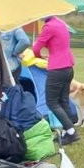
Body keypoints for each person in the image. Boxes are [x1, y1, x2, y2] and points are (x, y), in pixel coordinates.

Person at [32, 15, 78, 145]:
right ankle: (67, 131)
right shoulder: (60, 23)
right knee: (63, 100)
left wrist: (38, 55)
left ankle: (71, 132)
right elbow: (56, 43)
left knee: (52, 102)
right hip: (68, 67)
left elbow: (36, 48)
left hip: (57, 68)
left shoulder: (48, 26)